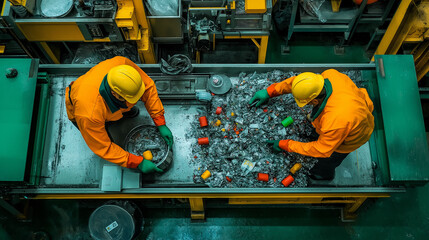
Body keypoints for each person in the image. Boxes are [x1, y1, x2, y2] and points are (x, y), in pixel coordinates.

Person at [249, 69, 374, 180]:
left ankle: (322, 175)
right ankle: (319, 134)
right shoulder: (330, 75)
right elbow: (298, 83)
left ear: (314, 100)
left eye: (307, 103)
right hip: (353, 109)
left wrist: (286, 144)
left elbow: (322, 150)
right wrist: (270, 91)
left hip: (352, 136)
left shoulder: (336, 120)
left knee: (326, 161)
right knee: (321, 126)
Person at [65, 56, 173, 174]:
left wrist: (160, 121)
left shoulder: (122, 66)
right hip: (83, 108)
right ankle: (115, 139)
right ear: (114, 94)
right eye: (132, 99)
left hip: (112, 104)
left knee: (124, 109)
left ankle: (122, 113)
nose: (137, 101)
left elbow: (147, 89)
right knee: (108, 143)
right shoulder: (89, 114)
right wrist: (137, 162)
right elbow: (103, 148)